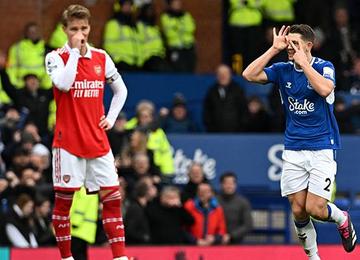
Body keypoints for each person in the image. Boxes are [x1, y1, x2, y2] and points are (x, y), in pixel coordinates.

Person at [243, 24, 357, 259]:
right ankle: (314, 258)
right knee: (298, 209)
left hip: (322, 146)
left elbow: (325, 90)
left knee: (314, 208)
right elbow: (249, 74)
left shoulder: (324, 67)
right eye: (288, 43)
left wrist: (304, 64)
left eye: (295, 43)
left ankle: (341, 218)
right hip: (293, 147)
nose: (290, 48)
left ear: (308, 46)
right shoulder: (283, 69)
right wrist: (273, 50)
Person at [45, 5, 129, 260]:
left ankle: (120, 257)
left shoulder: (102, 57)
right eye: (74, 29)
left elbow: (121, 90)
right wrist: (74, 53)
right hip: (67, 142)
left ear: (90, 28)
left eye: (83, 28)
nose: (79, 33)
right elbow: (64, 83)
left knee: (112, 198)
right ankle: (67, 257)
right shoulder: (55, 57)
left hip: (97, 140)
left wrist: (111, 118)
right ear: (64, 30)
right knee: (64, 203)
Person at [203, 64, 248, 132]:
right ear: (216, 76)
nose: (223, 76)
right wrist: (210, 128)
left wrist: (240, 129)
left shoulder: (238, 90)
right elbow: (207, 112)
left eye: (225, 73)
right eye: (220, 74)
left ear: (230, 75)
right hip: (215, 133)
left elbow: (244, 111)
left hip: (236, 133)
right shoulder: (211, 91)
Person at [217, 172, 253, 244]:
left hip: (237, 242)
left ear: (235, 185)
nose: (229, 186)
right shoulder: (214, 201)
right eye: (226, 183)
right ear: (221, 185)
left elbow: (248, 225)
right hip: (215, 242)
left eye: (232, 183)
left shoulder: (243, 202)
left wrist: (231, 236)